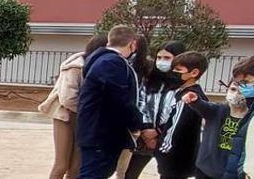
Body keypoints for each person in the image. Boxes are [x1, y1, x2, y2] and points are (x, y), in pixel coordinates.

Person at [78, 25, 155, 178]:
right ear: (132, 44)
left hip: (97, 132)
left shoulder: (102, 60)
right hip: (102, 135)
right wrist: (137, 125)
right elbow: (119, 100)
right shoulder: (111, 63)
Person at [40, 34, 108, 179]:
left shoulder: (102, 68)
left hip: (85, 120)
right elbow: (67, 98)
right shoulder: (75, 67)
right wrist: (89, 111)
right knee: (61, 164)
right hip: (65, 116)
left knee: (76, 167)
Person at [119, 39, 187, 179]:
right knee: (128, 174)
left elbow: (179, 113)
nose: (162, 61)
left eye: (167, 58)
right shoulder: (149, 80)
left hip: (166, 139)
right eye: (159, 57)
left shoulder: (183, 86)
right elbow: (140, 103)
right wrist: (145, 129)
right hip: (142, 138)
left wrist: (157, 132)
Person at [182, 56, 254, 179]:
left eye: (245, 84)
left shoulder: (249, 117)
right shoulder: (219, 110)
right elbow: (205, 107)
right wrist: (195, 100)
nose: (237, 93)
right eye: (233, 89)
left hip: (228, 171)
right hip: (205, 168)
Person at [155, 51, 208, 179]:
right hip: (183, 156)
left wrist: (162, 149)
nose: (174, 73)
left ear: (194, 73)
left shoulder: (188, 97)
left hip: (174, 157)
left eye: (178, 70)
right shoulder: (195, 94)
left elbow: (175, 127)